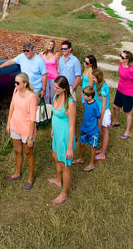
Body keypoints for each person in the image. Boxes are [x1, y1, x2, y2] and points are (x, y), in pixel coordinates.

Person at [5, 73, 38, 190]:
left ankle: (30, 177)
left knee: (28, 153)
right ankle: (17, 173)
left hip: (26, 130)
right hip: (15, 126)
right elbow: (12, 107)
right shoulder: (15, 91)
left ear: (25, 84)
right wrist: (8, 124)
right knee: (17, 151)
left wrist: (30, 137)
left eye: (17, 83)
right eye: (15, 82)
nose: (15, 84)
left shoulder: (31, 97)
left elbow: (33, 118)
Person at [48, 76, 75, 205]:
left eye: (57, 88)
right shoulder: (55, 97)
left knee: (65, 165)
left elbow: (72, 127)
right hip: (57, 134)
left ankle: (64, 194)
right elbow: (54, 115)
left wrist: (69, 147)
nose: (54, 89)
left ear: (64, 89)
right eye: (54, 87)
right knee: (56, 157)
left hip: (65, 137)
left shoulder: (70, 103)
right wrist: (52, 129)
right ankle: (58, 180)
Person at [111, 50, 133, 140]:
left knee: (127, 112)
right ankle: (116, 121)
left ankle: (128, 131)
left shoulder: (131, 69)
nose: (120, 57)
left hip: (128, 93)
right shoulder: (121, 63)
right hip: (120, 90)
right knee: (115, 106)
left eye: (123, 57)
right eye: (120, 55)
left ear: (127, 60)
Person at [86, 60, 111, 160]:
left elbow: (104, 104)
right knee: (100, 130)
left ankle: (103, 153)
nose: (93, 80)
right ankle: (101, 149)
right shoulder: (97, 86)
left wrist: (100, 116)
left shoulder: (104, 88)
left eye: (94, 78)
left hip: (103, 112)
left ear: (98, 78)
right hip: (98, 110)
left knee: (105, 131)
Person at [75, 86, 102, 172]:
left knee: (92, 147)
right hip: (84, 128)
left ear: (90, 97)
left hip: (93, 130)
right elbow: (84, 104)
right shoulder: (86, 101)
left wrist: (99, 128)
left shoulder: (95, 106)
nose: (83, 96)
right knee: (81, 143)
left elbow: (98, 116)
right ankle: (81, 158)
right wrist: (83, 101)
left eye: (85, 95)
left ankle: (91, 164)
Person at [40, 40, 59, 115]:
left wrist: (58, 75)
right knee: (46, 95)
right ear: (46, 45)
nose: (50, 46)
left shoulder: (55, 55)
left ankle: (53, 111)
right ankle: (47, 112)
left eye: (52, 45)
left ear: (53, 46)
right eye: (49, 44)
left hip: (54, 78)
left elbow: (58, 66)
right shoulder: (42, 54)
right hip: (45, 78)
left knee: (53, 95)